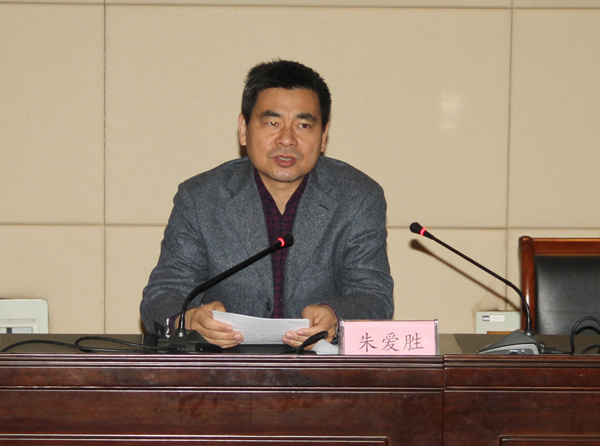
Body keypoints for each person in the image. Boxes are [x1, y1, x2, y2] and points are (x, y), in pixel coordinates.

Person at [141, 60, 393, 349]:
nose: (287, 139)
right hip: (224, 368)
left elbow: (374, 296)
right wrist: (188, 320)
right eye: (272, 123)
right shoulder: (201, 197)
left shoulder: (358, 197)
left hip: (321, 369)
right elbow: (163, 295)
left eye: (303, 125)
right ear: (243, 129)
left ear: (323, 136)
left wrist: (335, 317)